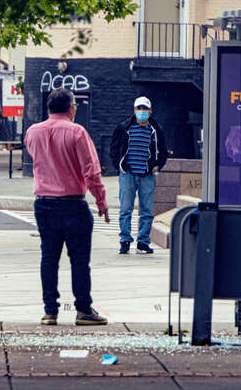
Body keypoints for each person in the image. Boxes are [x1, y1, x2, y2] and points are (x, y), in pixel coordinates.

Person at [25, 88, 111, 326]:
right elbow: (91, 171)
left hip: (43, 204)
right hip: (73, 204)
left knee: (49, 257)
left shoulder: (32, 132)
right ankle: (83, 309)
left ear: (49, 108)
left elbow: (36, 159)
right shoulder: (77, 132)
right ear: (71, 108)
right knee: (80, 260)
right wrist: (101, 201)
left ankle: (50, 310)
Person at [109, 96, 168, 255]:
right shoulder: (124, 128)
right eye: (139, 108)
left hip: (147, 176)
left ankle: (143, 242)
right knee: (125, 209)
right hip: (127, 174)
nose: (142, 111)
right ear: (134, 110)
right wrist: (119, 165)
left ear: (150, 111)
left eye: (145, 109)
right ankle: (125, 241)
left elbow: (164, 151)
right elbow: (114, 149)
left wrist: (157, 165)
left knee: (147, 211)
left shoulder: (156, 130)